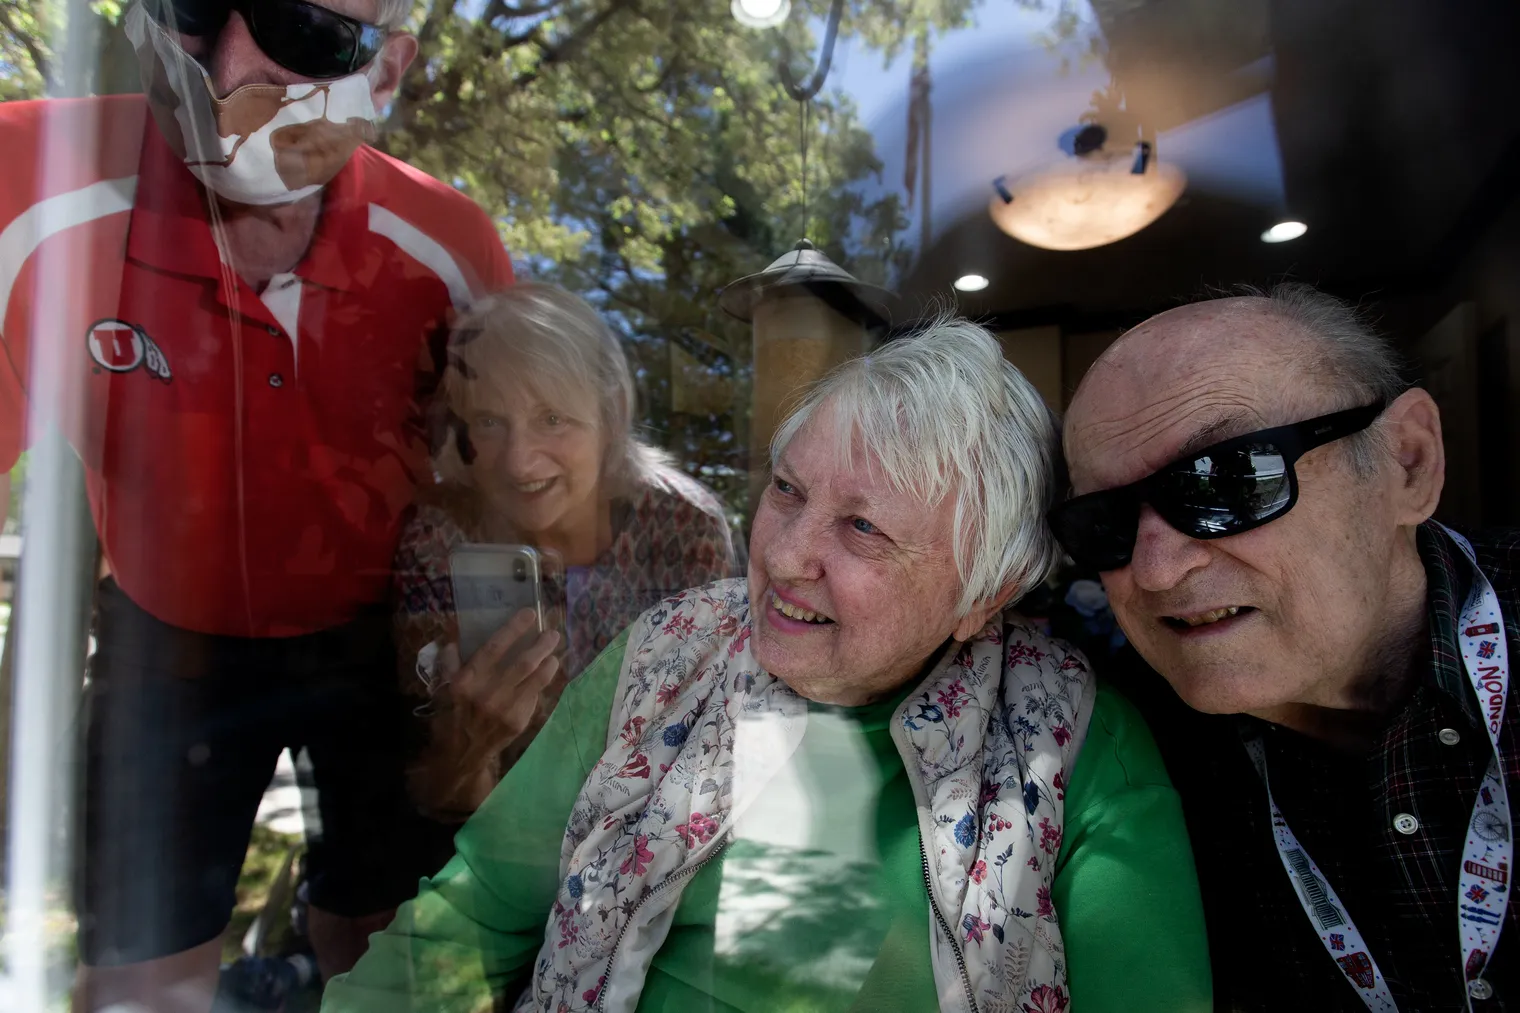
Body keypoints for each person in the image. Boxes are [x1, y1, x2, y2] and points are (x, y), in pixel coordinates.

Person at [321, 316, 1212, 1013]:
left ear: (985, 593)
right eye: (786, 489)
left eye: (862, 527)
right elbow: (474, 910)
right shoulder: (670, 655)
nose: (785, 557)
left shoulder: (1077, 751)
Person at [0, 0, 515, 1007]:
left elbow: (510, 493)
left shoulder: (450, 245)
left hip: (379, 638)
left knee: (378, 935)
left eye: (307, 32)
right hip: (167, 636)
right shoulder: (28, 183)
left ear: (390, 64)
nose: (230, 61)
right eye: (193, 6)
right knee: (141, 976)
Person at [1055, 283, 1517, 1011]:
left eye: (1227, 479)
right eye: (1104, 523)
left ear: (1408, 461)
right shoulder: (1118, 758)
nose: (1156, 569)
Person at [392, 283, 739, 827]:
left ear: (612, 413)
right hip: (495, 845)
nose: (519, 463)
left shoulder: (684, 526)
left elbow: (706, 750)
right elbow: (441, 800)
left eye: (552, 418)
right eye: (489, 421)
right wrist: (473, 744)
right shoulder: (442, 537)